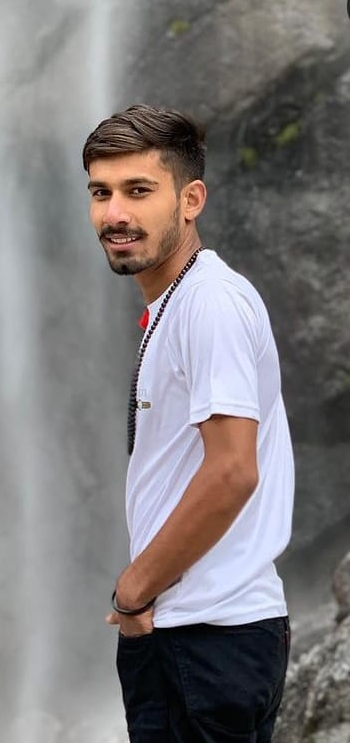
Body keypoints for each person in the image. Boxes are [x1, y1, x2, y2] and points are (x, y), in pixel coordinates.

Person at [81, 104, 294, 742]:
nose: (115, 213)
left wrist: (134, 589)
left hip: (207, 636)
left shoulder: (211, 305)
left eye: (138, 191)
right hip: (197, 636)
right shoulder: (180, 302)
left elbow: (232, 470)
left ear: (191, 198)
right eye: (101, 193)